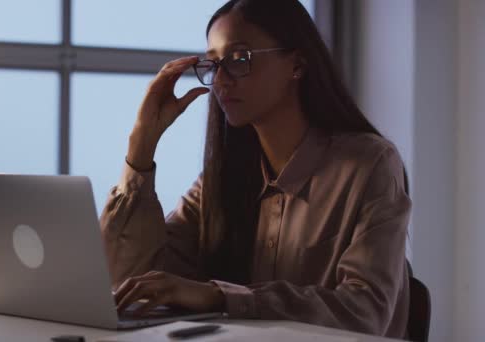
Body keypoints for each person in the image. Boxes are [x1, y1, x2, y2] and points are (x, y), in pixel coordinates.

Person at [99, 0, 411, 338]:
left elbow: (365, 312)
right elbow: (126, 282)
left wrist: (220, 297)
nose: (220, 79)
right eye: (213, 64)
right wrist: (141, 145)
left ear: (297, 63)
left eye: (239, 59)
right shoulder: (218, 182)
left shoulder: (370, 165)